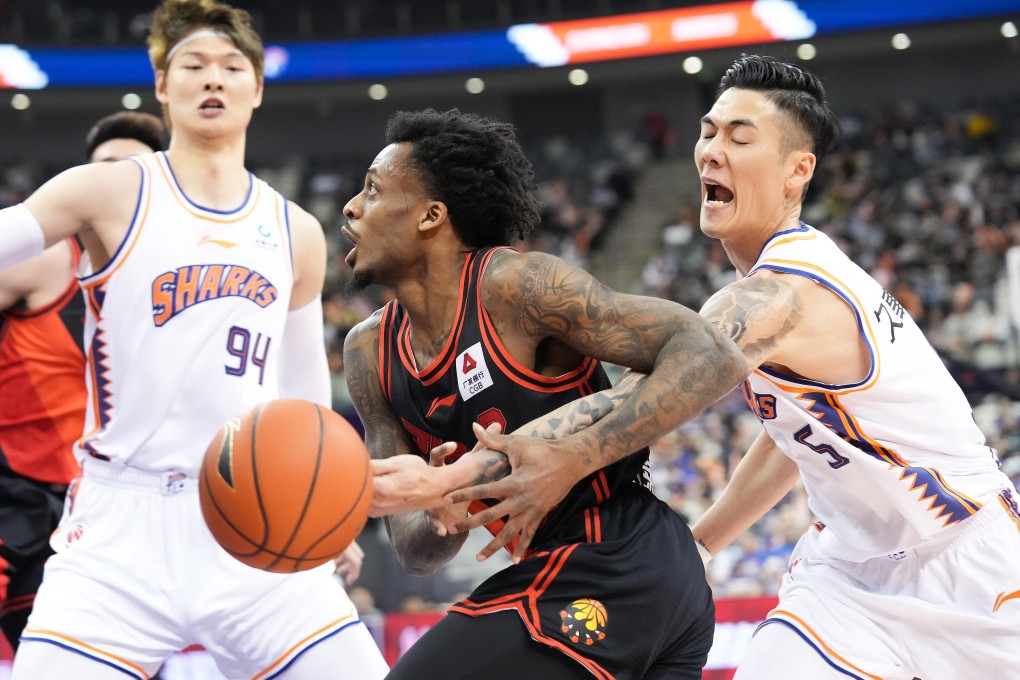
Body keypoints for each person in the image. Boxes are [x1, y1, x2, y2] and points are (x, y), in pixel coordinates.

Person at [450, 55, 1020, 679]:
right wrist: (703, 542)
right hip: (849, 575)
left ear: (797, 172)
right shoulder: (772, 289)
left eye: (740, 137)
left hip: (971, 563)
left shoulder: (784, 294)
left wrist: (480, 470)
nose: (711, 151)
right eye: (708, 132)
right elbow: (798, 436)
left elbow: (641, 395)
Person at [0, 1, 388, 677]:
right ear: (162, 84)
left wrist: (325, 512)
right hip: (121, 531)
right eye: (194, 65)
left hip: (253, 519)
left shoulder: (295, 229)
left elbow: (301, 394)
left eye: (232, 67)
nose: (214, 79)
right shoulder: (108, 191)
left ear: (257, 87)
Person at [341, 108, 748, 679]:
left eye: (373, 190)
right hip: (577, 577)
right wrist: (439, 509)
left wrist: (576, 456)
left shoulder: (514, 287)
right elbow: (414, 553)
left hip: (621, 556)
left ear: (432, 215)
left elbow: (711, 353)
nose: (351, 207)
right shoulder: (367, 354)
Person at [0, 110, 166, 655]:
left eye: (131, 171)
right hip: (13, 493)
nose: (112, 183)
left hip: (101, 514)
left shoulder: (189, 289)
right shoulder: (44, 258)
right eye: (103, 169)